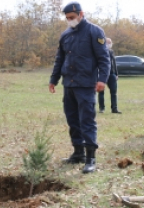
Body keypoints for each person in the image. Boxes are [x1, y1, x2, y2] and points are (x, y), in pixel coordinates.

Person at [49, 2, 110, 174]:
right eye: (67, 18)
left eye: (72, 17)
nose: (70, 21)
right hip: (69, 84)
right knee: (72, 119)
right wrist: (54, 79)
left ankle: (90, 158)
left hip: (86, 84)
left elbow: (103, 58)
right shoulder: (65, 35)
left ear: (81, 14)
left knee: (87, 120)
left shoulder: (94, 31)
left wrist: (102, 79)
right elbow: (59, 59)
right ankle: (78, 153)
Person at [98, 38, 121, 114]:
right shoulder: (100, 51)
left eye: (110, 43)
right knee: (101, 92)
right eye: (108, 43)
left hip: (112, 74)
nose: (109, 44)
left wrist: (116, 74)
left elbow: (114, 63)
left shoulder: (111, 52)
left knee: (113, 92)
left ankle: (114, 108)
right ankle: (102, 108)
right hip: (103, 74)